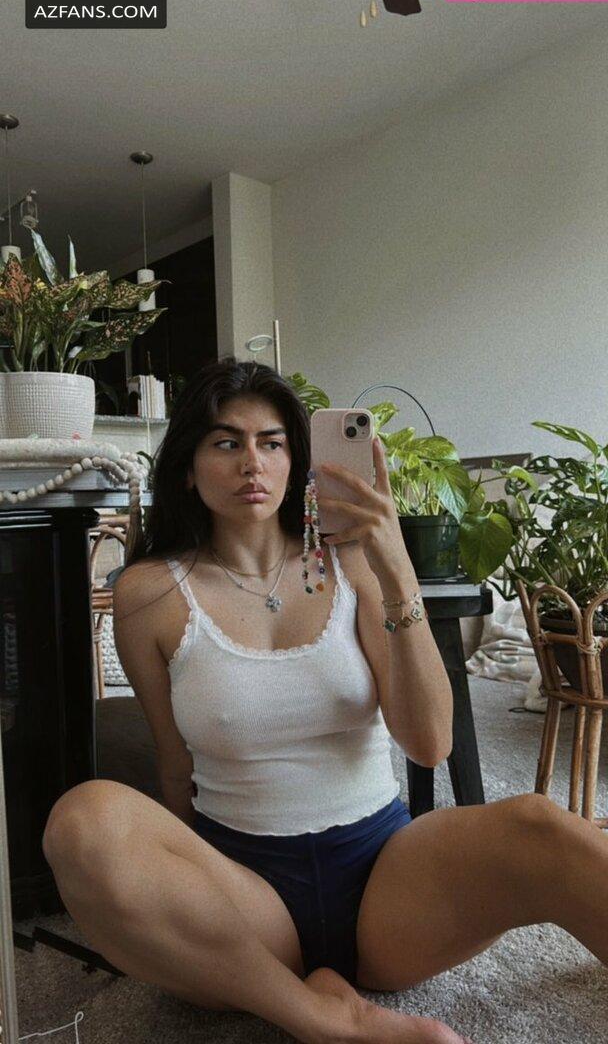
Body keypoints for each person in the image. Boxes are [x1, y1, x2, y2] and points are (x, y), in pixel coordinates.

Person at [42, 358, 607, 1044]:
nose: (252, 462)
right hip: (245, 901)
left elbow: (431, 743)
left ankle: (306, 995)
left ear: (297, 463)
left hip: (386, 880)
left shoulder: (353, 565)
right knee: (82, 821)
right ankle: (326, 1018)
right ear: (188, 468)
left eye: (272, 442)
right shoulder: (149, 594)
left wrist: (394, 564)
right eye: (226, 442)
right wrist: (171, 900)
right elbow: (173, 763)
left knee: (541, 826)